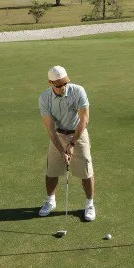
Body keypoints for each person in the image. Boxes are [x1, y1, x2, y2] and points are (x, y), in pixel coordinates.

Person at [38, 65, 95, 221]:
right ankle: (50, 200)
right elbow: (50, 128)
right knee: (52, 171)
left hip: (78, 133)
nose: (63, 87)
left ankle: (89, 204)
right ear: (50, 83)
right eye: (59, 85)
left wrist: (72, 143)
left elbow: (84, 119)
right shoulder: (44, 98)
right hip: (58, 135)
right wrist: (63, 151)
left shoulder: (78, 91)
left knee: (86, 170)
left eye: (65, 83)